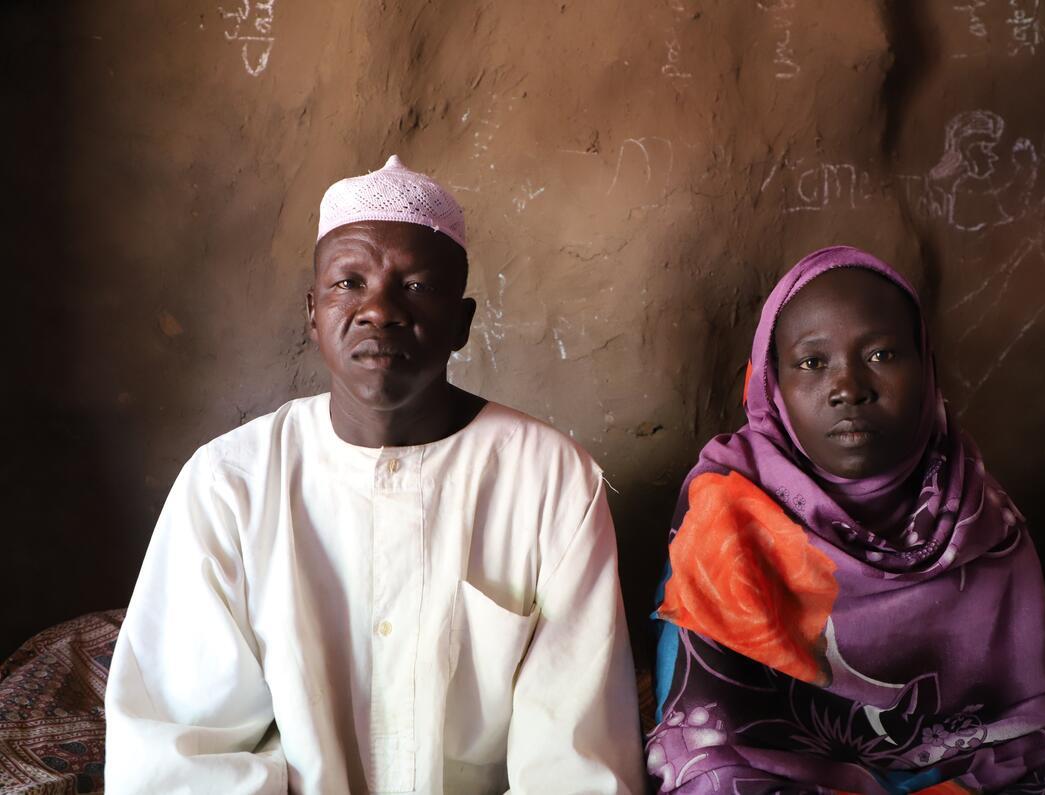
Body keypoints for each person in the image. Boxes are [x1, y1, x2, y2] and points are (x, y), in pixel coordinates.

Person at [105, 156, 646, 794]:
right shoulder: (229, 483)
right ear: (313, 314)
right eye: (349, 282)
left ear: (462, 323)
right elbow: (181, 752)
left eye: (415, 286)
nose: (379, 311)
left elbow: (572, 762)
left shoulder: (551, 481)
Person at [646, 246, 1045, 794]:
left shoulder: (971, 507)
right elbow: (702, 740)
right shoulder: (726, 509)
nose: (849, 388)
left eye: (882, 355)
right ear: (771, 383)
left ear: (926, 368)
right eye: (813, 363)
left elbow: (1036, 722)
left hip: (979, 764)